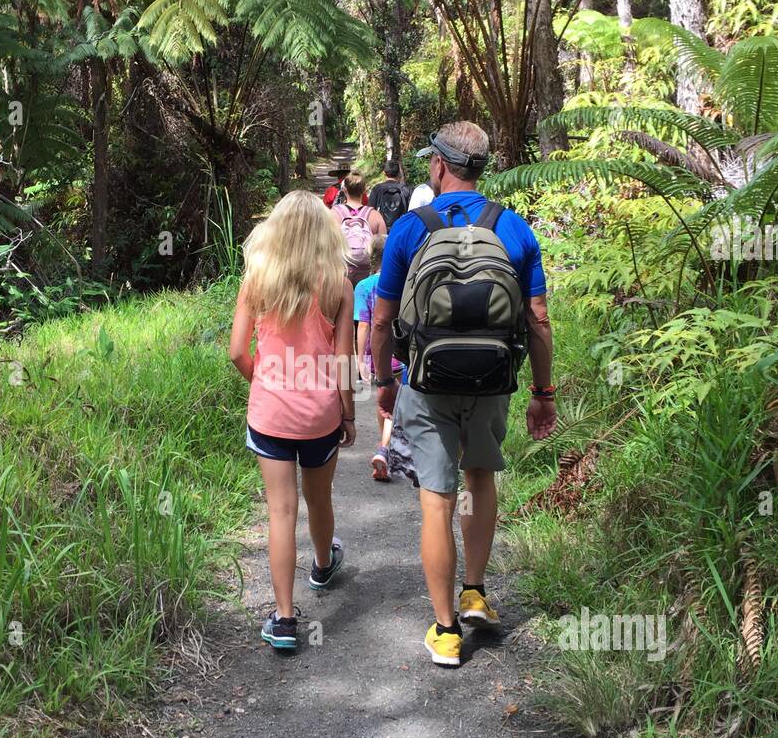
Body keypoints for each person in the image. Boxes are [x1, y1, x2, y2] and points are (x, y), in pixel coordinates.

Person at [370, 121, 558, 669]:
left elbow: (381, 321)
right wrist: (543, 392)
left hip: (427, 384)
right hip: (492, 382)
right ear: (482, 168)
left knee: (436, 493)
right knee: (479, 476)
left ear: (438, 165)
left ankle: (446, 629)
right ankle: (475, 592)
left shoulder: (409, 230)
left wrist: (385, 383)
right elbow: (538, 320)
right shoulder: (514, 228)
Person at [229, 191, 356, 654]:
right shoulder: (339, 284)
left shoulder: (257, 279)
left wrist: (263, 382)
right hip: (320, 416)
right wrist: (349, 413)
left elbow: (238, 351)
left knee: (280, 512)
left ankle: (284, 620)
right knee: (318, 498)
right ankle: (323, 565)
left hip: (270, 414)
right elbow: (344, 360)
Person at [354, 235, 406, 481]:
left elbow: (363, 326)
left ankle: (384, 447)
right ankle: (385, 448)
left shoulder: (363, 287)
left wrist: (360, 359)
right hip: (401, 352)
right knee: (394, 402)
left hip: (376, 353)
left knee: (384, 401)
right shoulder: (403, 283)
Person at [332, 172, 386, 288]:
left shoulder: (333, 215)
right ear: (364, 191)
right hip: (367, 274)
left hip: (341, 274)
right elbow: (382, 250)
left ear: (344, 190)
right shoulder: (375, 216)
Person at [369, 159, 411, 229]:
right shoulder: (406, 190)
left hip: (382, 232)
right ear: (399, 173)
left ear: (384, 173)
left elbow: (370, 212)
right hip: (401, 230)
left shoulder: (377, 189)